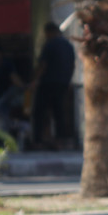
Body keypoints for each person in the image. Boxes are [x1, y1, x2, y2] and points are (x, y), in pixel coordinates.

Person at [31, 22, 76, 150]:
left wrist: (34, 80)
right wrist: (67, 81)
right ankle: (59, 140)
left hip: (47, 83)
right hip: (62, 84)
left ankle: (38, 141)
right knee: (59, 113)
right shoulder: (69, 46)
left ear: (49, 32)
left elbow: (43, 65)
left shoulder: (50, 44)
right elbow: (73, 65)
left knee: (39, 112)